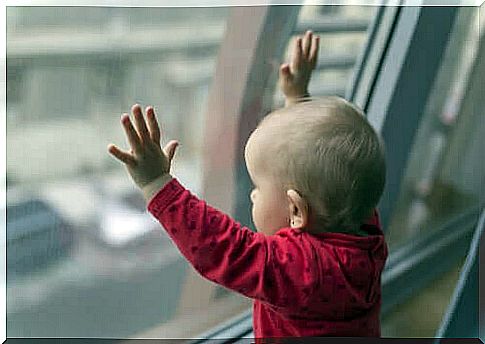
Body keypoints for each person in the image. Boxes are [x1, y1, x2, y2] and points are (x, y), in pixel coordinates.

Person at [107, 31, 388, 338]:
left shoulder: (304, 271)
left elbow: (223, 248)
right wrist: (297, 100)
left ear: (296, 209)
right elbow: (330, 169)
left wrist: (159, 185)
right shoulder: (364, 233)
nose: (252, 194)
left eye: (258, 186)